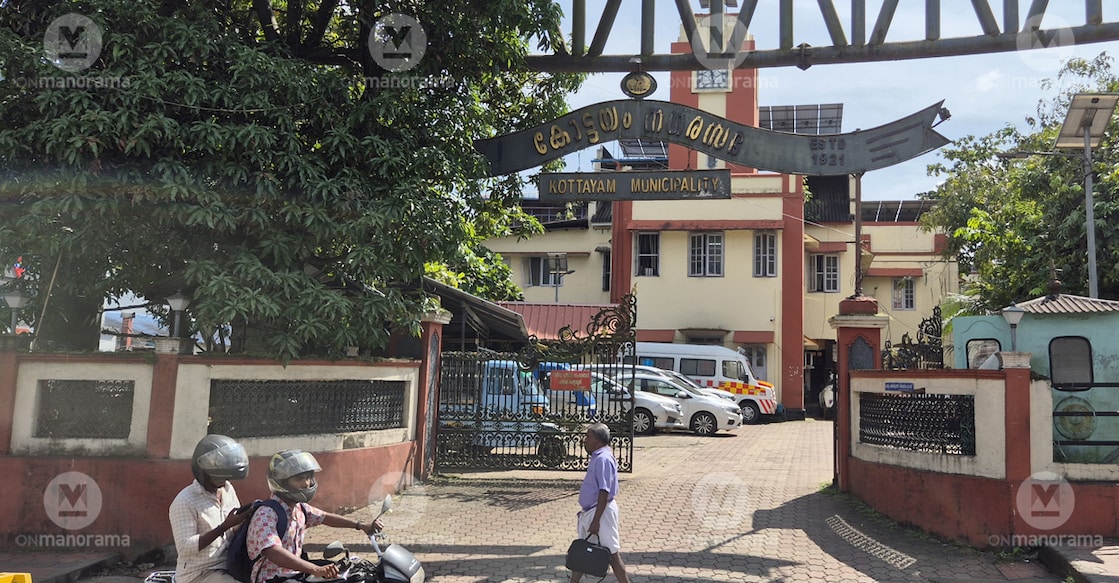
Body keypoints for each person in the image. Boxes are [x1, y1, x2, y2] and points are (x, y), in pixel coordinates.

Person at [247, 449, 382, 583]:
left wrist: (360, 525)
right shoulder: (266, 514)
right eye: (299, 479)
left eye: (308, 478)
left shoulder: (300, 509)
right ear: (281, 482)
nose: (306, 483)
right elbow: (273, 552)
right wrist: (314, 569)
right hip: (272, 578)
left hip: (295, 574)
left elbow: (325, 517)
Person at [170, 434, 251, 583]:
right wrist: (223, 527)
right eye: (217, 476)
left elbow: (231, 530)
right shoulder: (185, 501)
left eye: (225, 476)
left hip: (229, 564)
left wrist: (247, 519)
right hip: (199, 573)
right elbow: (185, 547)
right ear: (203, 472)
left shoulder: (228, 490)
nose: (222, 480)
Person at [571, 423, 630, 583]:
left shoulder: (603, 459)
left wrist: (596, 521)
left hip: (600, 513)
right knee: (582, 552)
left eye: (588, 436)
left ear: (597, 439)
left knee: (612, 555)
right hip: (593, 512)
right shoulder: (599, 456)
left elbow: (604, 491)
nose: (585, 440)